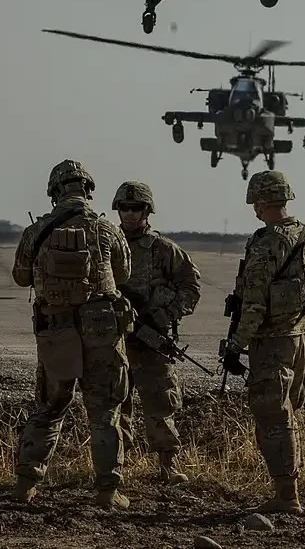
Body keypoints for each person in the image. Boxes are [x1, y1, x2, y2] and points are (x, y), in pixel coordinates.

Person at [10, 159, 134, 509]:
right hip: (102, 328)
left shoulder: (36, 231)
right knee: (104, 411)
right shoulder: (107, 229)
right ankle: (108, 492)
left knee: (50, 406)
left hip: (56, 327)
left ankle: (25, 485)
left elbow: (20, 277)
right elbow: (123, 273)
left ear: (54, 191)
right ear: (88, 190)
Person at [221, 169, 305, 514]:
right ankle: (288, 489)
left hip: (272, 342)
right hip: (299, 335)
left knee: (272, 416)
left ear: (259, 202)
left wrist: (236, 345)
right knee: (287, 410)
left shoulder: (267, 242)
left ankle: (286, 496)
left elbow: (254, 304)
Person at [111, 180, 202, 485]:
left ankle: (168, 464)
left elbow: (191, 287)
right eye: (124, 207)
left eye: (136, 208)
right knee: (114, 403)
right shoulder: (107, 245)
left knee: (161, 401)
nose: (129, 213)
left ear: (147, 211)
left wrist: (164, 314)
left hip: (150, 339)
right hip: (114, 338)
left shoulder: (163, 249)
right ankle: (115, 466)